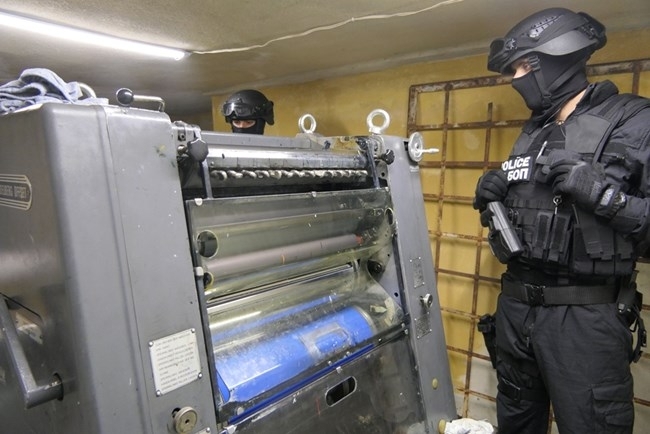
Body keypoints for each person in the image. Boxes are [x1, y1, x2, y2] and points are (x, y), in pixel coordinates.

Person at [473, 8, 649, 434]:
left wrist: (603, 196)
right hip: (516, 309)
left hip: (584, 319)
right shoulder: (533, 132)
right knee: (516, 423)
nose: (515, 79)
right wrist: (490, 199)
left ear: (555, 57)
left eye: (522, 66)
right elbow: (533, 217)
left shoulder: (635, 120)